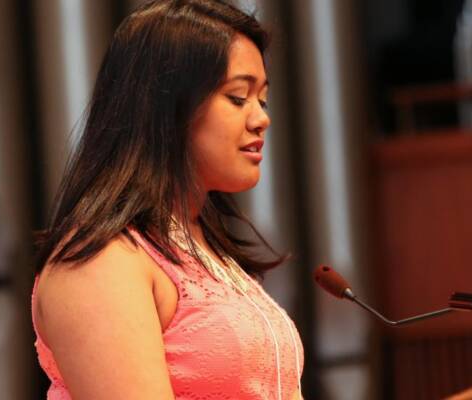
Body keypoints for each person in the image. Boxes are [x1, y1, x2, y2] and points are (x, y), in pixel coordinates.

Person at [31, 1, 303, 399]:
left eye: (261, 100)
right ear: (168, 107)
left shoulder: (208, 251)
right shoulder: (100, 261)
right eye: (238, 97)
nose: (262, 118)